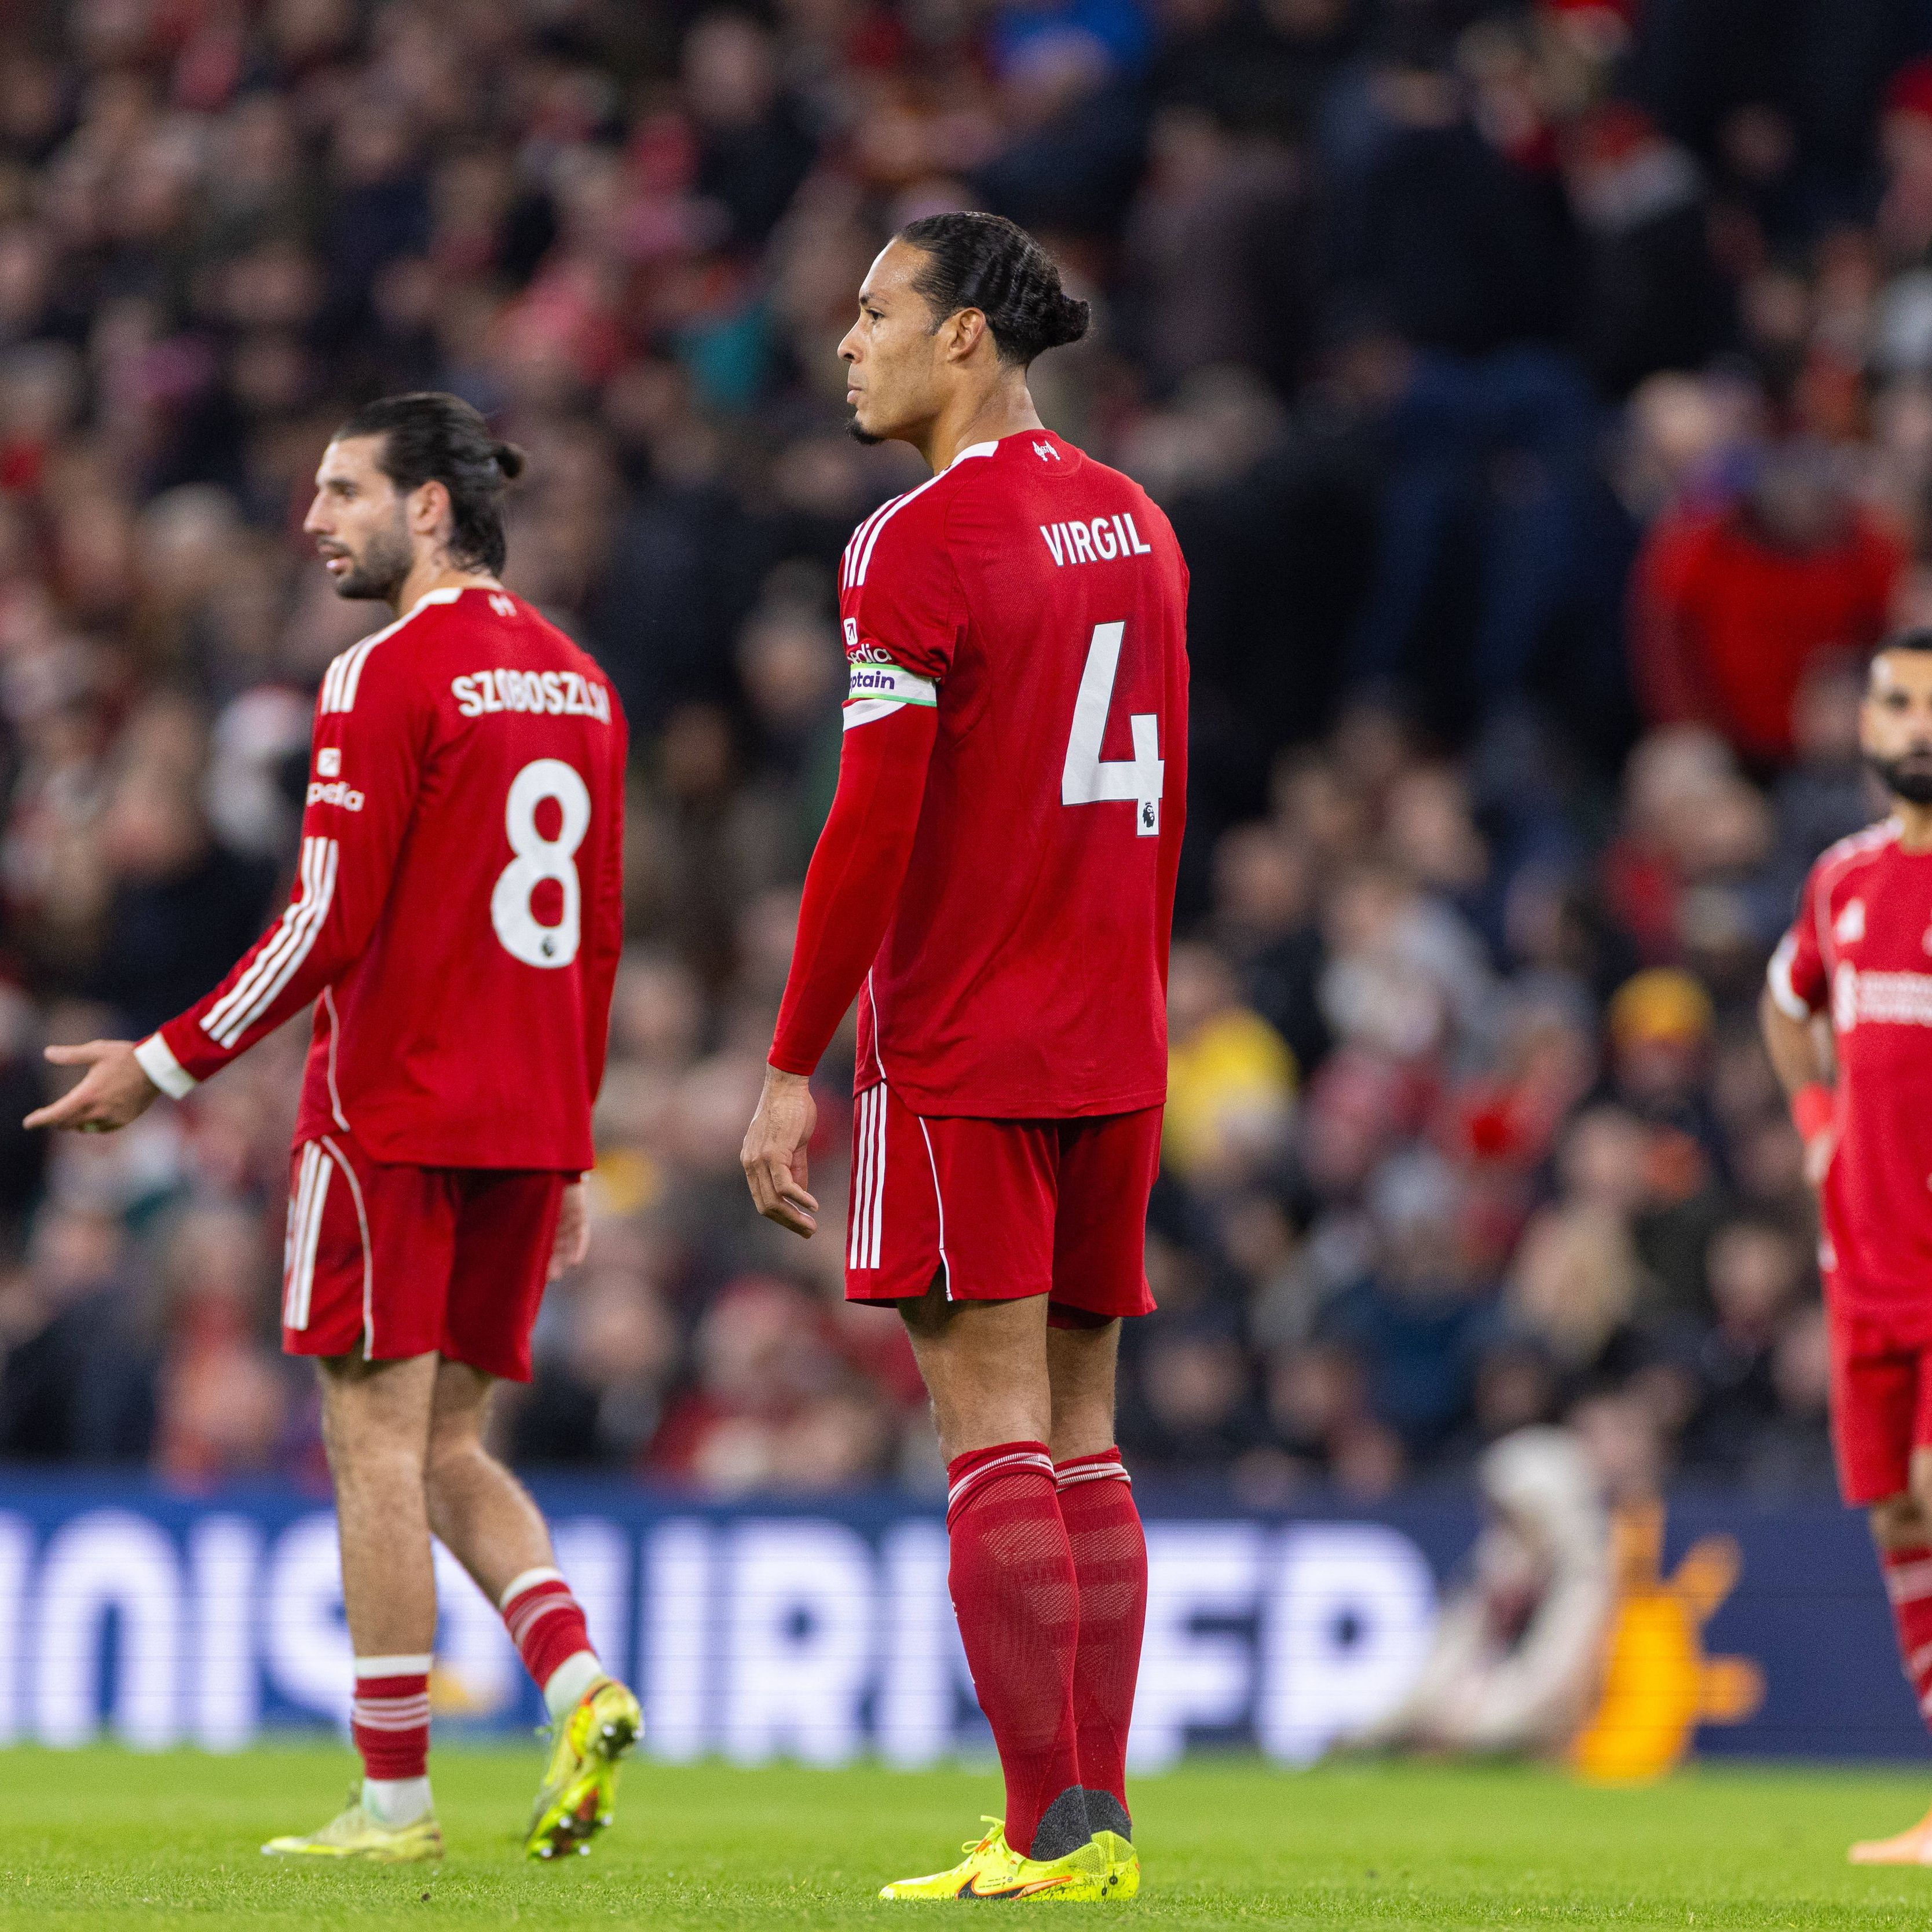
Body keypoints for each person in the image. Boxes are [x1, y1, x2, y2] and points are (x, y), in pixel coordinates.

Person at [24, 393, 635, 1866]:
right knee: (449, 1445)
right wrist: (569, 1142)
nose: (314, 521)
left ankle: (395, 1804)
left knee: (371, 1445)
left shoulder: (382, 671)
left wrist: (162, 1065)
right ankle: (580, 1682)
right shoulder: (582, 684)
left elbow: (321, 925)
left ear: (431, 506)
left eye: (344, 491)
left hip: (391, 1119)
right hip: (522, 1119)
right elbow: (597, 937)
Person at [739, 211, 1189, 1902]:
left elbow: (869, 825)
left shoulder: (912, 543)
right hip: (1117, 1036)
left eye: (876, 313)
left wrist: (792, 1062)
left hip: (968, 1039)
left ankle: (1041, 1828)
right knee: (1086, 1434)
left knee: (992, 1434)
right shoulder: (1140, 523)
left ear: (967, 338)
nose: (846, 344)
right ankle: (1097, 1825)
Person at [1760, 629, 1932, 1863]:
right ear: (1867, 727)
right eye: (1897, 703)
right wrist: (1818, 1125)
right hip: (1864, 1263)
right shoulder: (1844, 881)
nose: (1917, 725)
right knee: (1897, 1515)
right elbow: (1787, 1003)